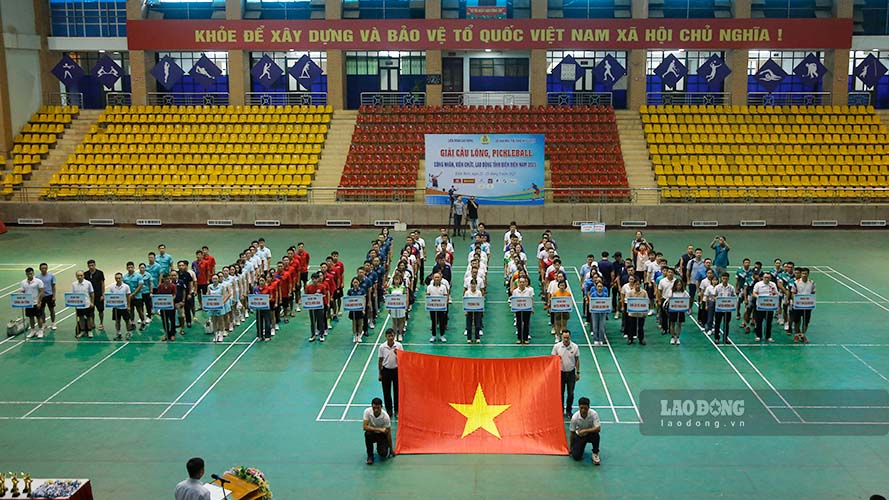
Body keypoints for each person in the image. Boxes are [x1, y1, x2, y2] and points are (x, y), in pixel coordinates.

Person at [552, 330, 580, 417]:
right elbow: (553, 360)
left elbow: (577, 360)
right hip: (560, 373)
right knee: (560, 393)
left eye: (567, 337)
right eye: (564, 337)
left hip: (571, 373)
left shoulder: (575, 347)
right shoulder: (557, 347)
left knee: (570, 393)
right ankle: (560, 410)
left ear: (570, 337)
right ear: (561, 337)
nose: (566, 339)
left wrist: (577, 372)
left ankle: (568, 410)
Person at [569, 397, 601, 465]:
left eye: (585, 408)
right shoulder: (575, 418)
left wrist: (585, 430)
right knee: (576, 457)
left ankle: (595, 453)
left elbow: (598, 428)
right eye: (581, 408)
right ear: (579, 407)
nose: (583, 410)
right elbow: (572, 432)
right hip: (580, 436)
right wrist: (571, 446)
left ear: (589, 407)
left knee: (596, 435)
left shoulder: (593, 414)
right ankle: (579, 447)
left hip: (590, 434)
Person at [378, 328, 403, 417]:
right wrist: (380, 373)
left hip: (396, 371)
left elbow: (402, 359)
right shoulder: (382, 347)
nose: (391, 338)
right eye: (389, 336)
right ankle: (389, 410)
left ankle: (397, 410)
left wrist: (398, 354)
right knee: (386, 392)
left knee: (397, 392)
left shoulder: (399, 346)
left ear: (394, 336)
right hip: (386, 371)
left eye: (392, 336)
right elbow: (380, 360)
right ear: (386, 336)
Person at [363, 397, 394, 465]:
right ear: (372, 406)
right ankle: (370, 456)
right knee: (367, 434)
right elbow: (365, 427)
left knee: (383, 454)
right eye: (374, 408)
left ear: (381, 407)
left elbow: (388, 433)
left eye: (378, 408)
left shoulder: (386, 417)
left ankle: (381, 447)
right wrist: (379, 429)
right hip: (372, 433)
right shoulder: (367, 412)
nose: (376, 410)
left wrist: (391, 449)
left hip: (382, 435)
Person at [790, 267, 815, 344]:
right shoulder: (796, 282)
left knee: (806, 321)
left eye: (806, 274)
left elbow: (813, 293)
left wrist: (810, 302)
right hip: (797, 305)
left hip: (807, 306)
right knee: (797, 321)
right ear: (801, 274)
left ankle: (803, 335)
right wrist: (796, 301)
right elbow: (793, 293)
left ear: (808, 274)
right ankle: (797, 335)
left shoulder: (812, 283)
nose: (804, 275)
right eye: (803, 273)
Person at [752, 272, 779, 343]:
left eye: (768, 278)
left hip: (769, 306)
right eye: (765, 277)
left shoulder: (773, 284)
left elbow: (776, 293)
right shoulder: (758, 284)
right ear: (762, 278)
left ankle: (768, 336)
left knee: (769, 322)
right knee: (759, 322)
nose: (767, 279)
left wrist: (773, 297)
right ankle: (758, 336)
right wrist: (760, 298)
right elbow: (754, 293)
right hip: (760, 306)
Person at [21, 267, 45, 338]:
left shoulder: (38, 281)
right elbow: (22, 292)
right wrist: (22, 302)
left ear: (33, 273)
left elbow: (41, 292)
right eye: (28, 274)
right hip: (28, 303)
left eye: (31, 274)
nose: (29, 275)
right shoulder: (23, 282)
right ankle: (33, 330)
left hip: (36, 302)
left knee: (39, 317)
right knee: (31, 317)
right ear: (26, 274)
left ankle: (40, 330)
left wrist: (39, 302)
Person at [108, 272, 132, 341]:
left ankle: (129, 332)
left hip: (124, 307)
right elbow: (111, 297)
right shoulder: (112, 287)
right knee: (117, 321)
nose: (118, 279)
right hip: (116, 307)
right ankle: (118, 333)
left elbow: (128, 296)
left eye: (119, 278)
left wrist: (128, 306)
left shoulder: (126, 286)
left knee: (127, 320)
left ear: (122, 278)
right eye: (116, 278)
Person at [71, 270, 95, 339]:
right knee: (81, 318)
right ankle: (82, 330)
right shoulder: (74, 284)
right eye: (78, 276)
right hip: (79, 305)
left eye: (81, 275)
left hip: (87, 304)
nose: (79, 277)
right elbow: (73, 295)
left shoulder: (88, 283)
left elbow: (92, 293)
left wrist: (92, 302)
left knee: (88, 318)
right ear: (76, 276)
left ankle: (90, 331)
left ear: (83, 276)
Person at [426, 272, 450, 343]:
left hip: (441, 308)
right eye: (435, 277)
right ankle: (433, 335)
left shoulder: (443, 287)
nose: (436, 279)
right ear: (433, 278)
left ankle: (442, 335)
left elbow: (446, 296)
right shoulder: (429, 287)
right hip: (432, 307)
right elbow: (427, 296)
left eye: (438, 277)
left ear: (440, 278)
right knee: (434, 321)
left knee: (442, 322)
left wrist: (445, 305)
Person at [713, 272, 736, 345]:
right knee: (717, 323)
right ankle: (716, 338)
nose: (725, 280)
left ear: (728, 279)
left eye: (726, 279)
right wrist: (717, 299)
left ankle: (725, 338)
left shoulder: (731, 287)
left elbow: (734, 296)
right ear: (721, 279)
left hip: (728, 309)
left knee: (726, 324)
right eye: (723, 278)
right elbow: (714, 296)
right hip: (719, 308)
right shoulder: (717, 287)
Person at [511, 276, 534, 344]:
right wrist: (514, 310)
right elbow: (514, 301)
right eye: (520, 282)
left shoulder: (529, 291)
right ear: (518, 283)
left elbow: (531, 299)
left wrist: (532, 308)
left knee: (526, 324)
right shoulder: (515, 291)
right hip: (518, 310)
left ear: (525, 283)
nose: (522, 283)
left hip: (527, 310)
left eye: (523, 282)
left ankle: (526, 338)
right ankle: (519, 338)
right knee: (519, 324)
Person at [85, 259, 106, 331]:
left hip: (98, 295)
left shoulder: (100, 273)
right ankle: (92, 323)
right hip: (89, 296)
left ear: (95, 265)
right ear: (88, 266)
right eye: (89, 265)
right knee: (91, 311)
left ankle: (101, 323)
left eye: (92, 265)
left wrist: (103, 294)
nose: (91, 267)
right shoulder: (86, 274)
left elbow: (102, 284)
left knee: (100, 310)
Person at [156, 273, 177, 342]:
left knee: (172, 320)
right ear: (163, 279)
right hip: (163, 306)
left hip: (171, 306)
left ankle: (173, 334)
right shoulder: (160, 286)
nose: (167, 280)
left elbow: (174, 295)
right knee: (164, 320)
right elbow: (158, 296)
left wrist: (170, 300)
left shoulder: (173, 286)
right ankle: (167, 334)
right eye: (165, 279)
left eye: (168, 279)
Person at [625, 278, 647, 345]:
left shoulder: (644, 292)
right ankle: (630, 339)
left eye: (638, 284)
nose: (637, 286)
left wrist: (645, 312)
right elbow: (626, 301)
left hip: (641, 313)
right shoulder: (630, 293)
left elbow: (646, 302)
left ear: (640, 284)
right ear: (634, 285)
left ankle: (641, 339)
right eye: (636, 284)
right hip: (632, 313)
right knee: (631, 326)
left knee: (641, 327)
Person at [36, 263, 57, 332]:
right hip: (41, 296)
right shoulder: (37, 277)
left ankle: (53, 323)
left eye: (45, 268)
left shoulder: (51, 276)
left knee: (52, 310)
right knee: (42, 311)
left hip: (50, 295)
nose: (44, 269)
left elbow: (53, 286)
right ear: (40, 269)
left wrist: (54, 296)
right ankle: (44, 323)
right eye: (42, 268)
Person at [667, 279, 688, 345]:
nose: (679, 286)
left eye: (680, 285)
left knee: (679, 324)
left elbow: (687, 299)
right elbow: (669, 299)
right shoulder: (671, 292)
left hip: (681, 311)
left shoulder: (684, 292)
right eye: (677, 285)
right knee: (672, 324)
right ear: (675, 285)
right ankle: (672, 337)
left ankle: (678, 337)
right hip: (673, 310)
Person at [464, 278, 484, 343]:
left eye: (474, 284)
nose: (473, 285)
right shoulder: (467, 293)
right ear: (470, 285)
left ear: (476, 285)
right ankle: (469, 338)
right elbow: (465, 301)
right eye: (472, 284)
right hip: (469, 310)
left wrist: (481, 311)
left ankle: (477, 338)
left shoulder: (479, 292)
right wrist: (465, 310)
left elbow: (480, 301)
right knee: (469, 325)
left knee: (477, 325)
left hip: (477, 310)